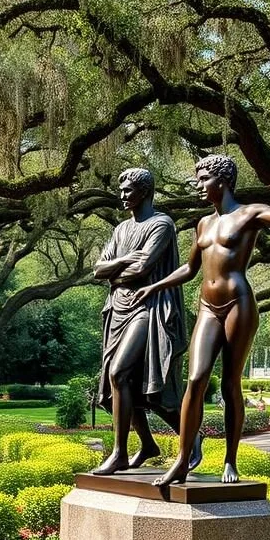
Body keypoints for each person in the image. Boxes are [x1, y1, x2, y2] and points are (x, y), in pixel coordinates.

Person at [134, 155, 270, 483]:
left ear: (223, 180)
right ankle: (182, 458)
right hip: (207, 306)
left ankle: (230, 460)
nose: (199, 185)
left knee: (231, 382)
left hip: (238, 304)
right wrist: (154, 287)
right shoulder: (203, 224)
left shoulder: (250, 214)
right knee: (196, 379)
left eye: (204, 179)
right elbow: (190, 269)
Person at [91, 168, 201, 475]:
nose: (123, 195)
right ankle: (147, 444)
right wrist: (124, 261)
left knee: (120, 372)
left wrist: (118, 270)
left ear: (145, 191)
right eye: (121, 189)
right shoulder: (120, 229)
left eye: (129, 190)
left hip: (147, 307)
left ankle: (120, 453)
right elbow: (98, 270)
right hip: (118, 307)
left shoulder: (161, 224)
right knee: (125, 383)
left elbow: (142, 268)